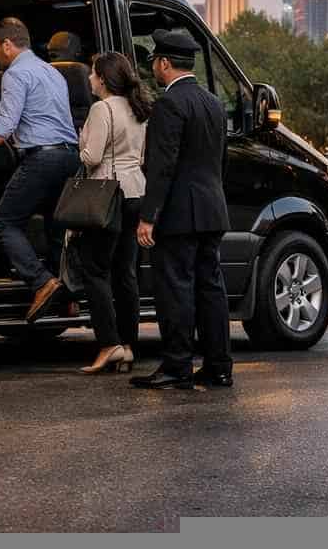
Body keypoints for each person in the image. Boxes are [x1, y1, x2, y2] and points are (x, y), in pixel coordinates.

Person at [130, 28, 234, 391]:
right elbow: (219, 161)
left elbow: (163, 165)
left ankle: (177, 365)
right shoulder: (213, 103)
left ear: (164, 63)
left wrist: (148, 216)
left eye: (155, 63)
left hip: (178, 215)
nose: (154, 70)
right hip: (211, 210)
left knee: (176, 289)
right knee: (211, 289)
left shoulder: (169, 104)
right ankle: (219, 366)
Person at [0, 17, 80, 323]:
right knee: (56, 231)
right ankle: (65, 298)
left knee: (4, 224)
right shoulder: (51, 72)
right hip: (69, 157)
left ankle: (42, 283)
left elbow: (4, 124)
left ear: (7, 45)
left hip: (42, 158)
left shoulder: (14, 74)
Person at [73, 51, 150, 375]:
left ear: (103, 79)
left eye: (93, 74)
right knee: (126, 272)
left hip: (107, 193)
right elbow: (143, 155)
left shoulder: (101, 108)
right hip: (136, 191)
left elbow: (91, 156)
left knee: (94, 269)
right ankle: (129, 345)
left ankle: (109, 343)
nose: (90, 79)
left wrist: (80, 140)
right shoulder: (138, 108)